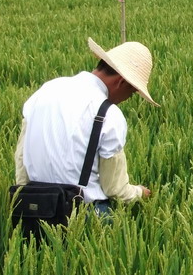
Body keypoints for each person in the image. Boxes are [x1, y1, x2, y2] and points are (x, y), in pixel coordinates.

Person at [14, 38, 158, 215]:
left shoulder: (44, 91)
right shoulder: (109, 114)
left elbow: (21, 157)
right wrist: (140, 193)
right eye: (132, 92)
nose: (127, 98)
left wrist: (24, 199)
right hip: (83, 212)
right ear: (121, 82)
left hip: (35, 206)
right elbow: (115, 189)